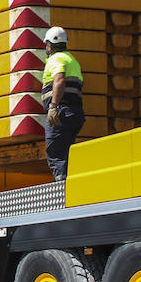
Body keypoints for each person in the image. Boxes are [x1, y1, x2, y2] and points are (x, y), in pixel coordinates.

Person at [41, 25, 85, 181]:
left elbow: (59, 80)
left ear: (50, 45)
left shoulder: (56, 59)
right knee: (67, 151)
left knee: (55, 152)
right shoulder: (73, 60)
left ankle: (62, 186)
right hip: (75, 113)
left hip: (61, 112)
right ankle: (68, 180)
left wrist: (53, 107)